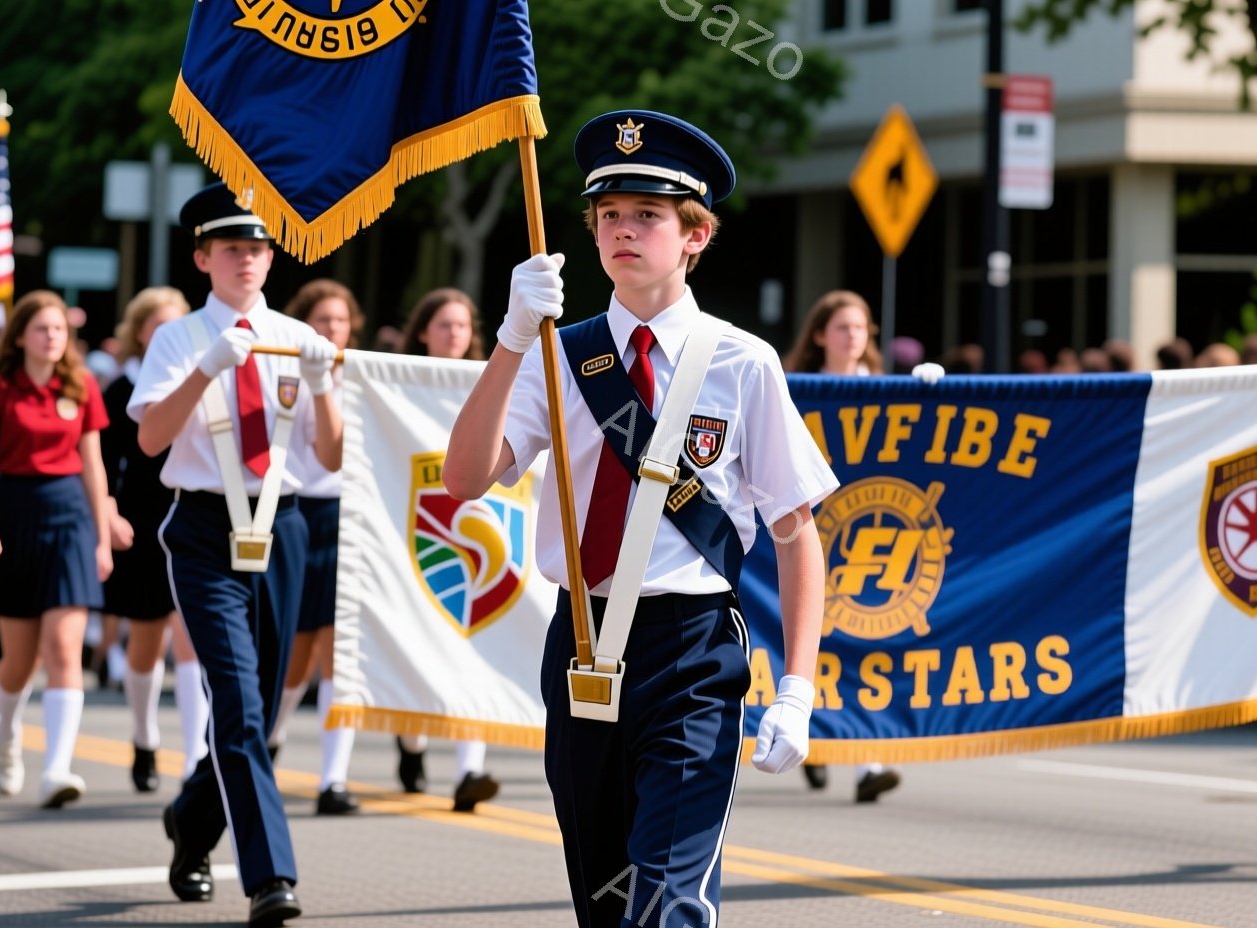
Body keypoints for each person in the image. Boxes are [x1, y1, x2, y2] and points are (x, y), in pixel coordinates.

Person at [442, 110, 836, 927]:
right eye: (609, 216)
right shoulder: (557, 354)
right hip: (582, 646)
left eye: (648, 216)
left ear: (694, 236)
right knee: (605, 895)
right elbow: (464, 478)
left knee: (666, 897)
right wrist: (512, 340)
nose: (624, 231)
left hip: (692, 651)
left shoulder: (742, 362)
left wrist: (797, 686)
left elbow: (797, 533)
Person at [129, 184, 340, 926]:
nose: (246, 259)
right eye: (230, 248)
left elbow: (331, 452)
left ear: (271, 254)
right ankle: (269, 878)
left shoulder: (291, 335)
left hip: (281, 528)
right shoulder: (181, 338)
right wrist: (210, 366)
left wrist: (322, 384)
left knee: (264, 716)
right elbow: (152, 441)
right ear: (202, 258)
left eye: (256, 247)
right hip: (205, 531)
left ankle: (192, 820)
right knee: (241, 706)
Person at [0, 290, 112, 810]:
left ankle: (57, 768)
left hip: (70, 515)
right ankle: (6, 729)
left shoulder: (82, 384)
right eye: (41, 328)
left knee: (64, 649)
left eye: (59, 329)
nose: (52, 337)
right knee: (17, 660)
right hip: (15, 514)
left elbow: (93, 465)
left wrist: (102, 532)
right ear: (21, 335)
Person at [782, 289, 906, 803]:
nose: (854, 336)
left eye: (861, 328)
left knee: (865, 647)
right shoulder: (791, 392)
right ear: (819, 336)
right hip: (810, 535)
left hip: (864, 537)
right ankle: (815, 741)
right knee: (818, 648)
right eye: (842, 328)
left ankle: (865, 765)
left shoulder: (884, 391)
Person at [389, 286, 501, 810]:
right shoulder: (395, 383)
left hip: (482, 527)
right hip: (415, 531)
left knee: (473, 647)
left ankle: (469, 772)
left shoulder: (492, 382)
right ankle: (411, 744)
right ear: (423, 332)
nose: (455, 334)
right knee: (420, 652)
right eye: (444, 325)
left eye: (462, 325)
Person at [267, 279, 363, 816]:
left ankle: (333, 778)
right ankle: (270, 739)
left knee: (337, 653)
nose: (332, 329)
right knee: (294, 656)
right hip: (296, 512)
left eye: (341, 320)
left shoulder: (366, 375)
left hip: (348, 517)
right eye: (322, 320)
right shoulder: (288, 371)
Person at [102, 287, 199, 793]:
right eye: (155, 325)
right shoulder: (121, 390)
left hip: (190, 512)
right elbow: (100, 460)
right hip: (139, 520)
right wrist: (108, 513)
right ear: (139, 332)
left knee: (189, 638)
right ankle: (144, 738)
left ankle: (195, 756)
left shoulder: (201, 380)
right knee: (145, 641)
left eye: (175, 324)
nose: (165, 334)